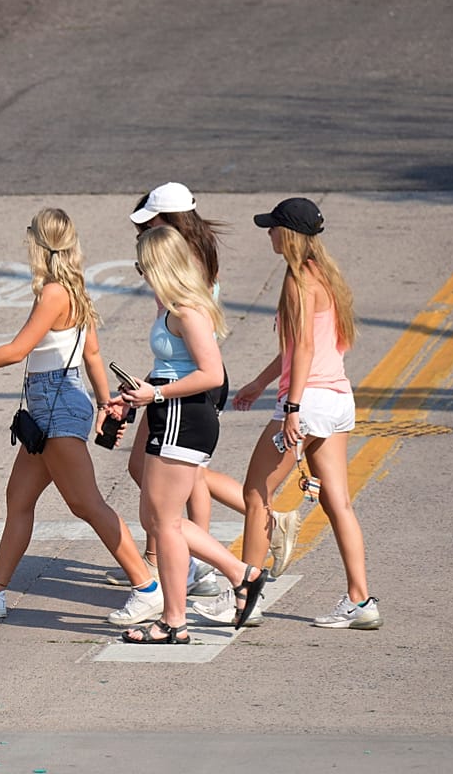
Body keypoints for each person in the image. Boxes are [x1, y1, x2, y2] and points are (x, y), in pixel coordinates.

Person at [0, 209, 159, 626]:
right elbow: (92, 353)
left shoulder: (53, 293)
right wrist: (104, 402)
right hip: (57, 403)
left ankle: (147, 588)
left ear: (38, 243)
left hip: (56, 405)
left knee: (87, 503)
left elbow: (17, 351)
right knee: (19, 499)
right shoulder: (73, 287)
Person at [109, 183, 301, 601]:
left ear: (168, 221)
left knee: (175, 484)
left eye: (149, 225)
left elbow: (194, 354)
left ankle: (195, 562)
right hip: (178, 377)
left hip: (188, 384)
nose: (144, 236)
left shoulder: (181, 266)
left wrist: (155, 392)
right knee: (168, 478)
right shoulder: (195, 252)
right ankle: (185, 559)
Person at [226, 198, 380, 629]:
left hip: (307, 402)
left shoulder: (298, 280)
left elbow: (305, 349)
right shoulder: (326, 275)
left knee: (256, 493)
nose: (269, 234)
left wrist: (291, 409)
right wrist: (259, 383)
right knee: (337, 502)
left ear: (289, 235)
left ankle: (245, 596)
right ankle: (361, 601)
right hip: (336, 399)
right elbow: (295, 348)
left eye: (273, 228)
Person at [112, 226, 267, 642]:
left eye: (143, 266)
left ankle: (174, 620)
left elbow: (211, 373)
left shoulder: (187, 311)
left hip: (184, 415)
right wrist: (136, 394)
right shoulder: (171, 308)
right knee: (158, 519)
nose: (141, 274)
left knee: (164, 523)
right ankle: (241, 574)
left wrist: (156, 394)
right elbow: (171, 368)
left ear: (161, 265)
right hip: (170, 410)